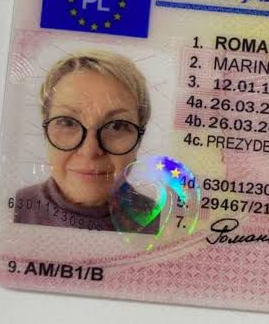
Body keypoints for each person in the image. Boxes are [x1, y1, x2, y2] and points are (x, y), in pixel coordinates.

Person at [13, 50, 159, 233]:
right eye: (67, 122)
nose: (90, 150)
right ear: (45, 131)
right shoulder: (9, 211)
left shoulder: (165, 225)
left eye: (117, 126)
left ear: (139, 139)